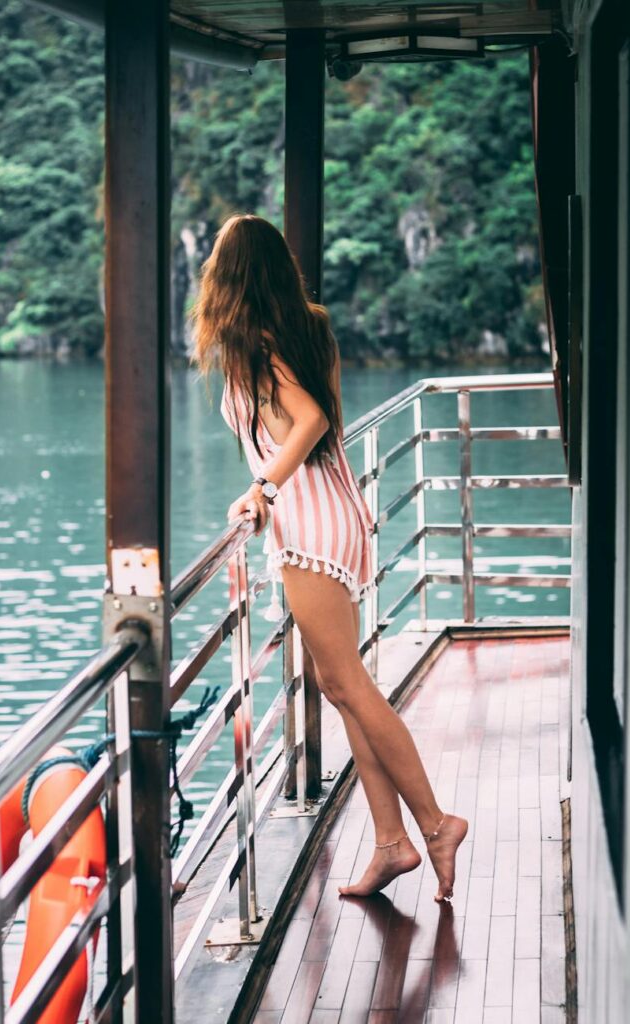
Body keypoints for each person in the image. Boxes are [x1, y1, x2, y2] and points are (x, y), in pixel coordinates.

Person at [189, 213, 468, 902]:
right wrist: (265, 484)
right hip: (333, 507)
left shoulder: (251, 343)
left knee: (349, 683)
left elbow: (308, 420)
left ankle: (433, 824)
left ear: (226, 277)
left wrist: (261, 487)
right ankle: (389, 842)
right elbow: (313, 425)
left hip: (309, 521)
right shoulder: (306, 327)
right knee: (337, 682)